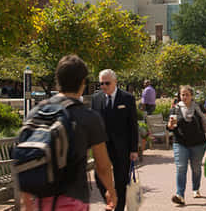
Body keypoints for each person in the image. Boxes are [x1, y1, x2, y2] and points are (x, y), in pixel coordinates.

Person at [21, 55, 117, 210]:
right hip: (73, 201)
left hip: (40, 201)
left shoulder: (36, 112)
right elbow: (103, 166)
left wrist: (26, 202)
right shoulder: (88, 117)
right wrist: (111, 190)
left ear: (58, 80)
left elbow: (25, 158)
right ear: (82, 83)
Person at [91, 69, 139, 211]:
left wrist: (133, 149)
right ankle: (110, 199)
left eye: (107, 83)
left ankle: (118, 208)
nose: (104, 86)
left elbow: (132, 125)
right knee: (98, 178)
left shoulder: (127, 98)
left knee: (121, 181)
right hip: (102, 147)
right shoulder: (96, 98)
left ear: (115, 82)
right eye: (101, 84)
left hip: (122, 148)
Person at [167, 85, 206, 205]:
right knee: (181, 167)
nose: (184, 97)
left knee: (196, 168)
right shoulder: (175, 109)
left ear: (192, 96)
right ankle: (180, 195)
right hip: (180, 142)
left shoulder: (198, 108)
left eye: (187, 94)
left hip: (198, 143)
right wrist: (170, 125)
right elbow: (169, 127)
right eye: (182, 94)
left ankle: (196, 188)